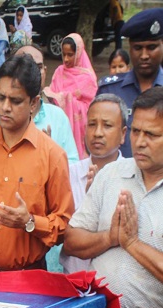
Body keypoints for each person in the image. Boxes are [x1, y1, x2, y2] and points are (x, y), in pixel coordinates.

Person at [63, 87, 163, 308]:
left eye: (152, 134)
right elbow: (71, 240)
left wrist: (131, 243)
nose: (140, 141)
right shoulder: (111, 175)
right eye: (136, 131)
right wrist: (109, 238)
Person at [0, 54, 74, 275]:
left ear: (34, 103)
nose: (5, 107)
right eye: (1, 98)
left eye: (15, 101)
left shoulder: (52, 155)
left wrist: (29, 222)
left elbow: (63, 225)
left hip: (28, 276)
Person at [60, 94, 127, 274]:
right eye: (92, 124)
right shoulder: (68, 174)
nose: (98, 133)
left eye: (107, 125)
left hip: (114, 281)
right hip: (74, 279)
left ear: (123, 134)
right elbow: (61, 233)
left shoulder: (134, 177)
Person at [0, 45, 79, 164]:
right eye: (24, 67)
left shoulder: (58, 117)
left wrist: (52, 156)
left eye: (38, 67)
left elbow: (72, 165)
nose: (32, 73)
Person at [97, 8, 163, 158]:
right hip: (117, 172)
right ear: (130, 48)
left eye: (151, 47)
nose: (144, 55)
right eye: (138, 48)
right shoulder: (110, 90)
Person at [44, 33, 97, 159]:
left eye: (70, 54)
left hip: (80, 129)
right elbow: (52, 96)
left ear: (78, 53)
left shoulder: (88, 78)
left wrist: (68, 99)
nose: (66, 59)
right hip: (60, 124)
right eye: (64, 54)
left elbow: (91, 107)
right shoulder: (59, 72)